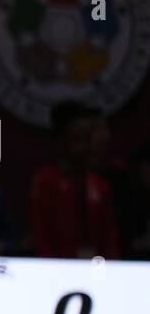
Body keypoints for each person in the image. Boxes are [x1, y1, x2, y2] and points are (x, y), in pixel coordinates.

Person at [30, 102, 119, 259]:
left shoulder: (100, 186)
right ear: (63, 140)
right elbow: (41, 239)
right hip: (58, 271)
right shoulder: (46, 183)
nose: (84, 146)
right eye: (77, 139)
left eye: (86, 139)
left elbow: (109, 240)